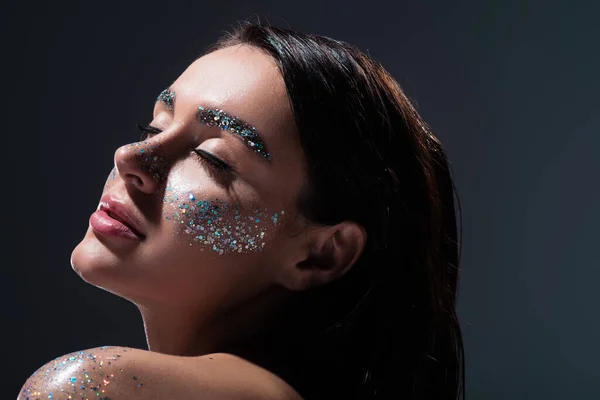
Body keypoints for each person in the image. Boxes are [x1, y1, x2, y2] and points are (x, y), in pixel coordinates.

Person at [19, 21, 465, 400]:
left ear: (321, 253)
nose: (130, 156)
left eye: (213, 158)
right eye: (154, 125)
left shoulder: (91, 388)